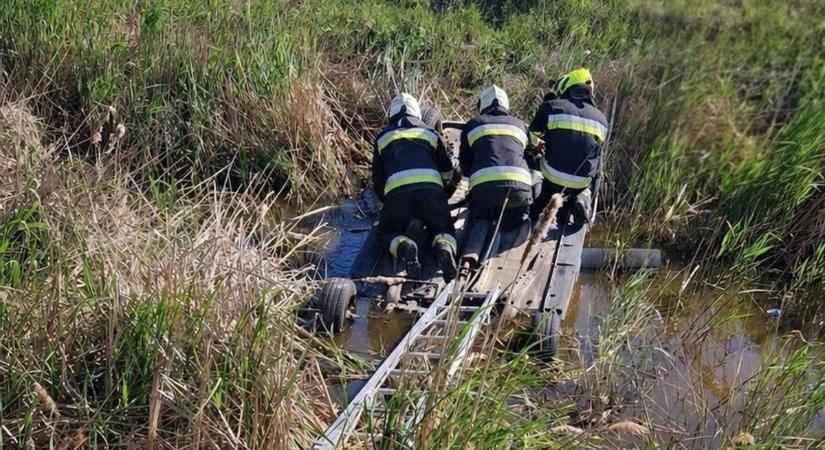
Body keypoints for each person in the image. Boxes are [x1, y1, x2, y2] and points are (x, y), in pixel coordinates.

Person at [372, 93, 458, 281]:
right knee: (443, 228)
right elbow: (448, 171)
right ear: (417, 113)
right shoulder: (430, 133)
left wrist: (389, 204)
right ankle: (443, 246)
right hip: (431, 193)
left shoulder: (382, 138)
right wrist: (444, 194)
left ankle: (404, 246)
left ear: (391, 114)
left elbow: (377, 181)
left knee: (387, 233)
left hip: (398, 196)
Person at [527, 68, 608, 224]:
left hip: (552, 175)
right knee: (584, 183)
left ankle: (539, 198)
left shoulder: (551, 106)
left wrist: (539, 147)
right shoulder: (602, 120)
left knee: (536, 165)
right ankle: (581, 199)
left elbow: (531, 137)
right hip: (581, 181)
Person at [458, 85, 534, 225]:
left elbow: (466, 168)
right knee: (514, 222)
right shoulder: (520, 125)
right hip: (518, 192)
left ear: (482, 105)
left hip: (483, 193)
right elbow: (529, 160)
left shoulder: (472, 125)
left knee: (481, 220)